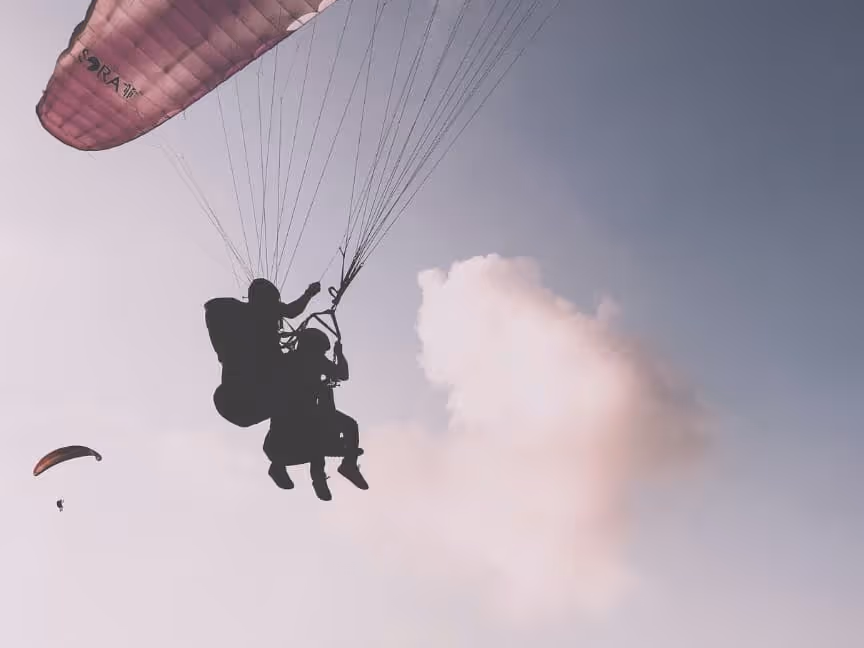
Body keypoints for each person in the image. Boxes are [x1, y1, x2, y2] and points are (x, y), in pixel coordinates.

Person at [265, 327, 368, 501]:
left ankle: (315, 473)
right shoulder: (314, 359)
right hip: (297, 423)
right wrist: (339, 354)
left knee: (316, 435)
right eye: (322, 351)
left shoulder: (287, 359)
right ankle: (338, 468)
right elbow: (343, 374)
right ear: (313, 347)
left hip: (283, 435)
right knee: (342, 428)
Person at [205, 278, 321, 428]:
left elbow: (291, 311)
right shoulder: (253, 318)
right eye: (274, 302)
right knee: (302, 368)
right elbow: (292, 311)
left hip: (241, 397)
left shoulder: (244, 314)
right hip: (250, 389)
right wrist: (309, 293)